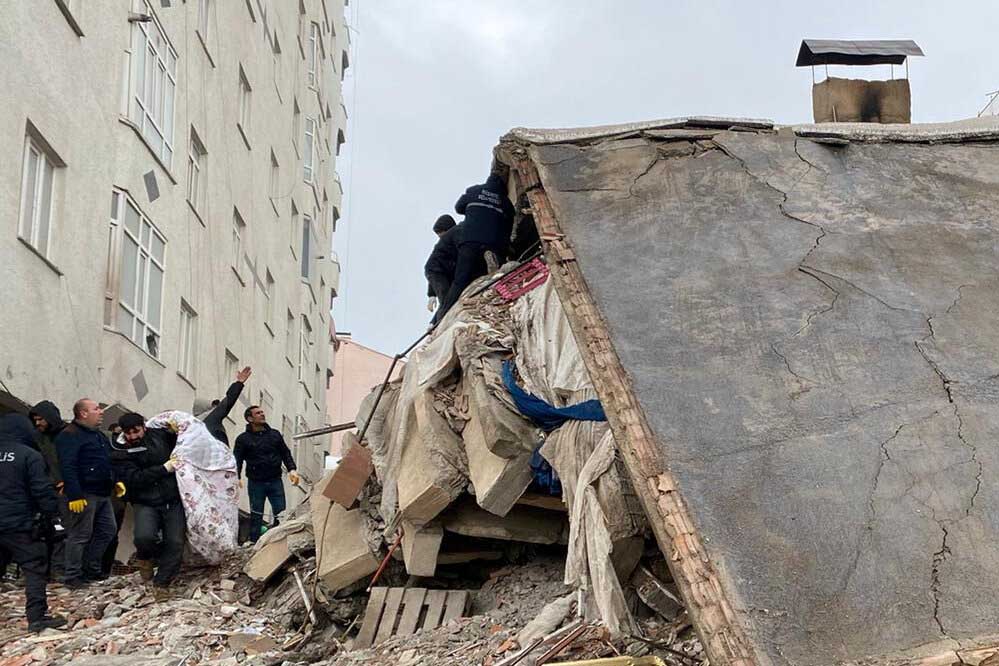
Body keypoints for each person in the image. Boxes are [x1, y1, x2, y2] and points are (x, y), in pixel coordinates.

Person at [0, 413, 67, 632]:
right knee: (34, 567)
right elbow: (42, 490)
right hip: (20, 523)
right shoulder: (29, 455)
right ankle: (37, 618)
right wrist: (53, 517)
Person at [112, 413, 184, 600]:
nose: (133, 436)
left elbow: (186, 443)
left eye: (136, 431)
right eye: (128, 433)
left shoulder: (160, 435)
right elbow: (134, 478)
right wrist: (164, 469)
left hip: (172, 499)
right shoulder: (120, 450)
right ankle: (145, 557)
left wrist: (177, 431)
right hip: (144, 500)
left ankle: (161, 583)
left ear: (144, 427)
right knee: (144, 537)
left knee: (175, 542)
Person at [55, 398, 123, 588]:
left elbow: (106, 461)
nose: (101, 411)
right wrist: (74, 495)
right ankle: (73, 575)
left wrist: (115, 480)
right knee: (80, 534)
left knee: (107, 530)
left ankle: (91, 570)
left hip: (102, 493)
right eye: (96, 409)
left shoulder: (98, 435)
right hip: (84, 493)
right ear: (83, 413)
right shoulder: (70, 435)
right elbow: (68, 466)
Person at [437, 163, 515, 320]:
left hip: (470, 240)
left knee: (459, 281)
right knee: (489, 275)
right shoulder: (505, 201)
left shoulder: (474, 191)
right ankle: (492, 276)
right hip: (493, 244)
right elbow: (510, 224)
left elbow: (458, 207)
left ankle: (442, 317)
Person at [234, 406, 299, 543]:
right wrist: (236, 477)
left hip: (275, 480)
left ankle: (280, 541)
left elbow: (285, 453)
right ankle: (254, 542)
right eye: (258, 413)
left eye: (262, 412)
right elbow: (237, 459)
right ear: (250, 418)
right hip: (256, 482)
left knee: (281, 513)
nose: (262, 414)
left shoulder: (274, 435)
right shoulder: (243, 439)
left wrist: (292, 469)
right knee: (256, 515)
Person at [28, 401, 69, 579]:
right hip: (44, 491)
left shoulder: (69, 434)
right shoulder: (37, 438)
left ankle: (58, 569)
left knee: (62, 530)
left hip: (64, 492)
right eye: (35, 420)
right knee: (43, 531)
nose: (38, 423)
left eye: (41, 419)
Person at [193, 366, 252, 446]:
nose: (217, 407)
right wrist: (239, 383)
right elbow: (229, 401)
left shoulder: (188, 427)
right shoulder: (211, 418)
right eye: (214, 406)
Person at [101, 423, 128, 578]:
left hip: (117, 495)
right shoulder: (105, 446)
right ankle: (99, 570)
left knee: (111, 534)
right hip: (106, 494)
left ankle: (104, 570)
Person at [425, 215, 459, 318]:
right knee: (446, 301)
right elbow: (434, 268)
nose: (441, 238)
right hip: (443, 275)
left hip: (451, 276)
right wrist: (431, 294)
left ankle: (436, 321)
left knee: (447, 301)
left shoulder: (457, 239)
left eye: (442, 234)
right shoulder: (442, 246)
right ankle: (435, 322)